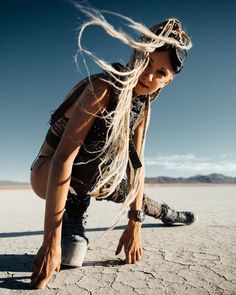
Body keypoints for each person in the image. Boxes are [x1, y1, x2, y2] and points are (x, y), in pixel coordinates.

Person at [30, 6, 196, 289]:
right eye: (147, 62)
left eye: (161, 72)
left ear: (169, 81)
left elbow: (137, 166)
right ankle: (74, 213)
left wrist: (135, 225)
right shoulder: (104, 87)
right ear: (138, 53)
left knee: (132, 192)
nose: (149, 76)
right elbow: (62, 160)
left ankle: (170, 214)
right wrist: (51, 241)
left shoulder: (142, 106)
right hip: (48, 171)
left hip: (94, 178)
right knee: (69, 254)